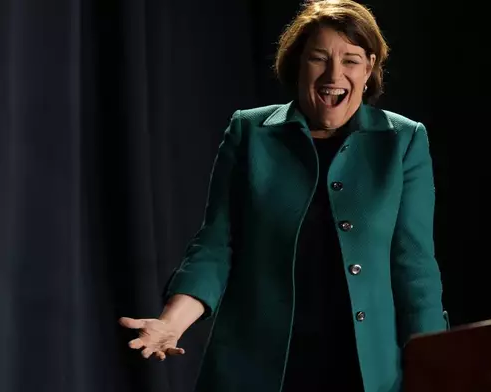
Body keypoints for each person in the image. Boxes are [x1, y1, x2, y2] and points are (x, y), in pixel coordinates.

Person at [119, 0, 447, 391]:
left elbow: (415, 268)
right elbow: (215, 246)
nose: (334, 74)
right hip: (258, 368)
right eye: (319, 59)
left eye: (351, 60)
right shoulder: (249, 132)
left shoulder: (404, 140)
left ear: (370, 66)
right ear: (298, 63)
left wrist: (438, 366)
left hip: (364, 372)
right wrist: (170, 323)